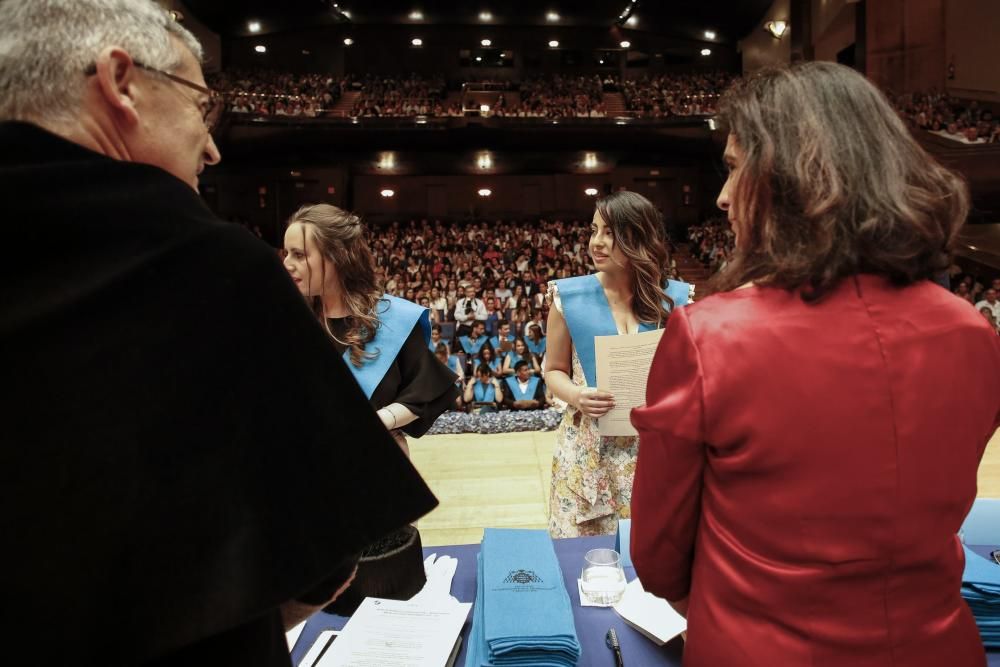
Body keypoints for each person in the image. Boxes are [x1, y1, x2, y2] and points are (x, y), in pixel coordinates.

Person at [0, 1, 437, 665]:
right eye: (200, 107)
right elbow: (321, 563)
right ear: (121, 83)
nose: (212, 146)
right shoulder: (211, 267)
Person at [630, 62, 1000, 666]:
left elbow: (660, 555)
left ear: (792, 175)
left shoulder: (710, 336)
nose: (722, 198)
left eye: (731, 168)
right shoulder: (972, 331)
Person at [545, 190, 693, 538]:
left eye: (610, 233)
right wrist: (578, 396)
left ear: (640, 237)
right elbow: (553, 370)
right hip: (585, 451)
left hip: (652, 450)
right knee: (580, 556)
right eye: (594, 230)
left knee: (649, 560)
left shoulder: (676, 300)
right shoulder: (567, 298)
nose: (597, 242)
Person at [283, 203, 460, 459]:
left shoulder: (394, 319)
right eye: (286, 253)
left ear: (337, 257)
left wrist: (379, 421)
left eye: (299, 255)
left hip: (379, 462)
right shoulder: (287, 320)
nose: (286, 263)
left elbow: (425, 392)